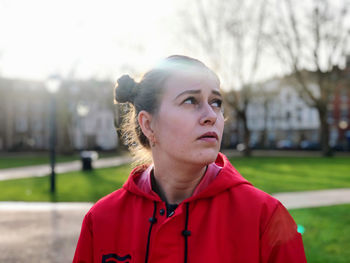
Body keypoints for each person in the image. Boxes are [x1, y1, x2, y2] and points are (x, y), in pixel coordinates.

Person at [73, 55, 306, 263]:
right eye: (190, 101)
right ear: (148, 124)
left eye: (216, 103)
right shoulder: (102, 220)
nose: (211, 116)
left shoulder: (265, 218)